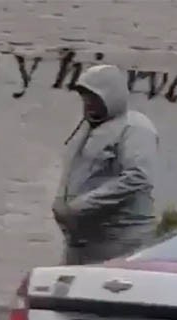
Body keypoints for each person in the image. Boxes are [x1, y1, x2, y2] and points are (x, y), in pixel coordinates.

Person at [52, 64, 159, 265]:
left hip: (121, 241)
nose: (88, 103)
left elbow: (138, 176)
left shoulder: (135, 128)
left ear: (111, 96)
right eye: (85, 97)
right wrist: (61, 204)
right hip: (83, 243)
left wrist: (81, 206)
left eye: (94, 97)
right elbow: (74, 171)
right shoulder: (87, 129)